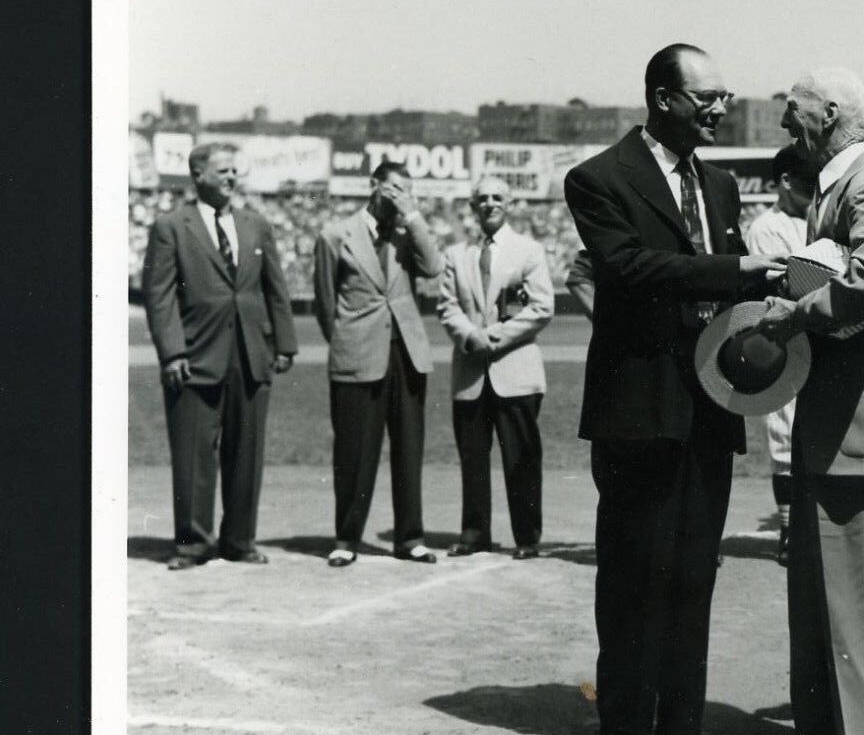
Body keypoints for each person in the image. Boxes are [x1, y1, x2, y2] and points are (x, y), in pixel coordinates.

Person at [563, 43, 783, 735]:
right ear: (663, 98)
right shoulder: (597, 178)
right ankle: (625, 722)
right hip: (638, 406)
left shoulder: (719, 187)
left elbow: (726, 289)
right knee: (632, 565)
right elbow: (627, 271)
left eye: (723, 96)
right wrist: (737, 269)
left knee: (695, 566)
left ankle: (681, 723)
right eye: (707, 97)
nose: (720, 108)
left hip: (710, 404)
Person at [752, 67, 864, 735]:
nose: (786, 126)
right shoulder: (835, 189)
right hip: (833, 418)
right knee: (817, 592)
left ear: (828, 113)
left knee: (861, 594)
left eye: (793, 114)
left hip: (863, 422)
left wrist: (796, 312)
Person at [141, 143, 297, 570]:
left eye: (234, 170)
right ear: (198, 175)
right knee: (194, 454)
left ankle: (240, 541)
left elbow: (275, 289)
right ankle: (193, 543)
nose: (232, 177)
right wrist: (172, 352)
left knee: (246, 453)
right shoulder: (171, 226)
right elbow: (160, 297)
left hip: (251, 355)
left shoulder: (256, 225)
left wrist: (284, 345)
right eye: (223, 170)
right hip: (195, 356)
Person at [312, 160, 445, 567]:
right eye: (392, 189)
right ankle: (346, 538)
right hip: (358, 353)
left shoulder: (409, 232)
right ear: (373, 186)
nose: (398, 197)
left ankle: (410, 537)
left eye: (407, 190)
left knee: (408, 449)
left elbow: (433, 267)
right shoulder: (336, 234)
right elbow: (325, 303)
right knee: (354, 453)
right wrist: (349, 340)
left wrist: (414, 214)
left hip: (406, 353)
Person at [437, 176, 556, 559]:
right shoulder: (456, 255)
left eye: (496, 197)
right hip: (471, 372)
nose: (489, 203)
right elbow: (447, 306)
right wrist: (470, 336)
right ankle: (474, 533)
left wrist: (495, 337)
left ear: (509, 203)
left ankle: (527, 537)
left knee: (521, 458)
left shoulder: (529, 250)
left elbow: (542, 307)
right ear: (472, 207)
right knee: (472, 457)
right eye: (481, 198)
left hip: (516, 371)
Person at [744, 143, 818, 564]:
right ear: (786, 181)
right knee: (786, 435)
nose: (814, 186)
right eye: (806, 180)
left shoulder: (818, 215)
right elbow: (787, 284)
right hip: (782, 339)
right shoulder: (766, 227)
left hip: (815, 334)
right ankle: (789, 529)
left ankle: (808, 524)